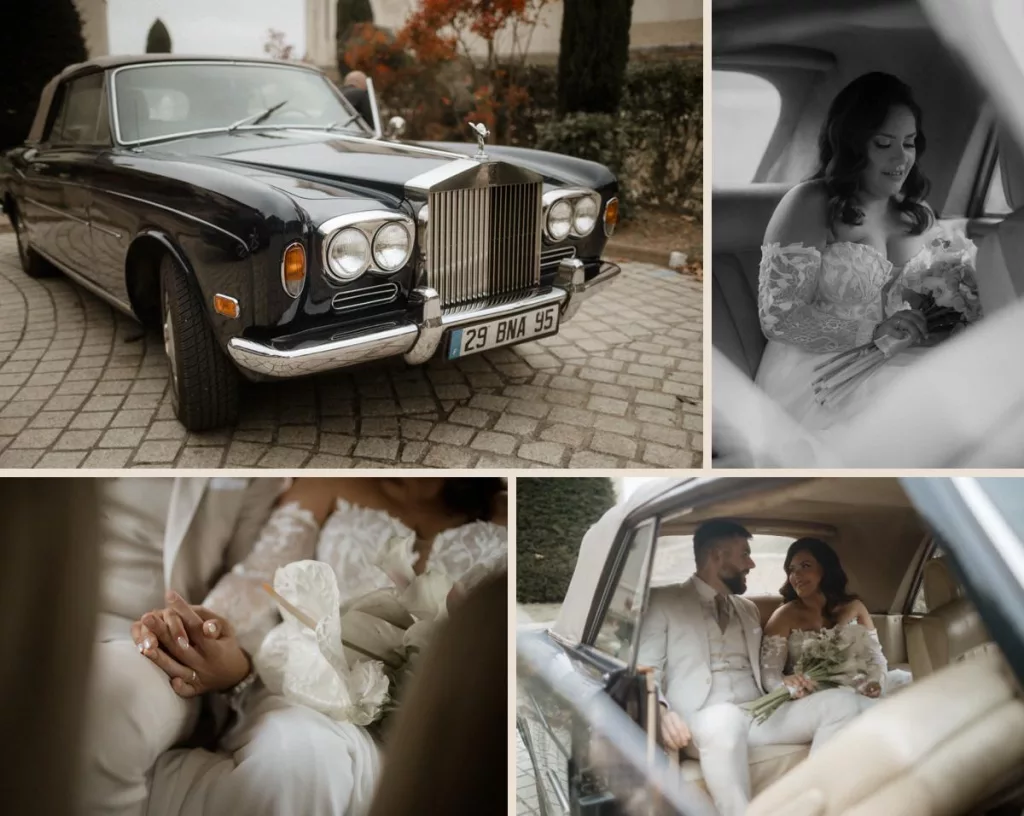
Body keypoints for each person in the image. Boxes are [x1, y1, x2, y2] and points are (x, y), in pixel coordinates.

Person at [135, 477, 508, 816]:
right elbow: (260, 580)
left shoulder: (506, 511)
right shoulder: (327, 483)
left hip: (446, 723)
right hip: (311, 693)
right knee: (305, 762)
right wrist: (201, 631)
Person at [749, 73, 982, 438]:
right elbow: (779, 317)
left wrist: (950, 314)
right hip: (817, 375)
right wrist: (872, 331)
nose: (901, 157)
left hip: (898, 357)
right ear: (853, 145)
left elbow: (927, 297)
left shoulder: (917, 213)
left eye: (909, 143)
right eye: (884, 143)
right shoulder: (810, 203)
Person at [636, 520, 866, 816]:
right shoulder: (664, 601)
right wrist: (662, 712)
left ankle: (810, 805)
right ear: (717, 555)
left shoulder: (748, 609)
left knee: (840, 703)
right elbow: (645, 669)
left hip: (757, 713)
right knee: (724, 719)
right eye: (744, 554)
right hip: (702, 718)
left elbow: (765, 671)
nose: (751, 563)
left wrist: (785, 685)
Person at [761, 538, 903, 704]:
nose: (796, 575)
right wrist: (790, 689)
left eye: (805, 566)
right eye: (791, 569)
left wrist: (874, 684)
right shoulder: (783, 616)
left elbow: (877, 659)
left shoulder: (855, 608)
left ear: (826, 569)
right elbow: (769, 674)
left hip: (859, 693)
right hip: (808, 700)